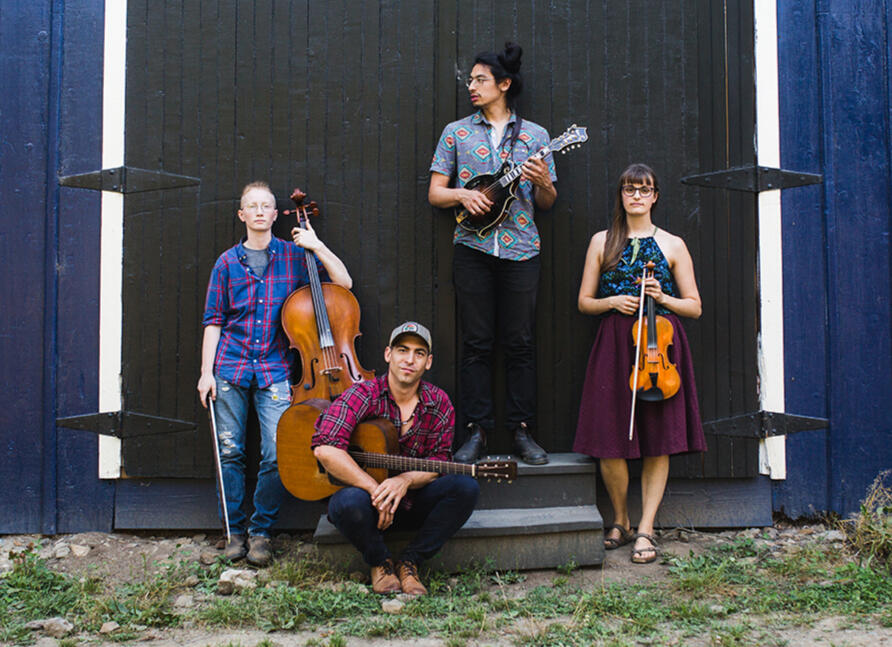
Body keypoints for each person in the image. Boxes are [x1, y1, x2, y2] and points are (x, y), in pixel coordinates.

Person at [197, 180, 352, 566]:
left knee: (274, 453)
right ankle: (233, 533)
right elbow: (213, 321)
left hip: (275, 370)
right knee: (230, 452)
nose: (260, 211)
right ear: (242, 214)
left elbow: (343, 284)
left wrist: (317, 245)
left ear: (274, 213)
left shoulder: (294, 256)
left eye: (266, 205)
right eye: (252, 206)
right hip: (230, 368)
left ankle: (261, 532)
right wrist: (205, 373)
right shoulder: (226, 263)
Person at [428, 41, 557, 465]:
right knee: (476, 342)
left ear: (504, 84)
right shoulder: (456, 132)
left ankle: (522, 431)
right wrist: (462, 195)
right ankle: (476, 431)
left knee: (520, 343)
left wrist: (544, 182)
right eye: (470, 80)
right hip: (473, 247)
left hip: (522, 250)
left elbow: (547, 202)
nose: (471, 86)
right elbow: (435, 193)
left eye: (480, 79)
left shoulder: (536, 136)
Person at [573, 163, 705, 564]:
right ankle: (621, 520)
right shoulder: (602, 241)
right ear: (621, 195)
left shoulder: (673, 244)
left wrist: (662, 298)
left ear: (655, 196)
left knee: (658, 439)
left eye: (644, 190)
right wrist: (612, 302)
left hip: (658, 347)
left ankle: (646, 527)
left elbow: (694, 307)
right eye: (629, 189)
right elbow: (584, 302)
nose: (636, 196)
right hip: (614, 344)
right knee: (608, 439)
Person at [312, 322, 480, 595]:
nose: (409, 360)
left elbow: (438, 462)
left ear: (428, 362)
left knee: (465, 487)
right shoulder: (363, 394)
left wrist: (404, 481)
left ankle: (410, 562)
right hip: (368, 508)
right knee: (344, 503)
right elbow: (325, 449)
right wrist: (374, 489)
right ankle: (380, 562)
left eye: (419, 353)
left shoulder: (439, 403)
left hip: (415, 504)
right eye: (402, 350)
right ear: (388, 354)